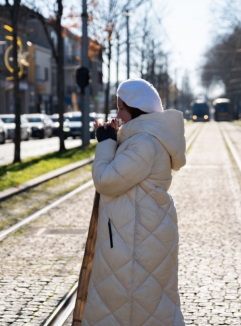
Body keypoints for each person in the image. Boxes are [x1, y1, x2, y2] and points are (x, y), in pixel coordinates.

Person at [82, 79, 186, 325]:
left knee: (132, 307)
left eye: (121, 108)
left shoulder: (144, 142)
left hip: (136, 239)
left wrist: (106, 142)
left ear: (137, 110)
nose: (118, 114)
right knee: (146, 307)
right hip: (140, 233)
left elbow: (106, 180)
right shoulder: (143, 138)